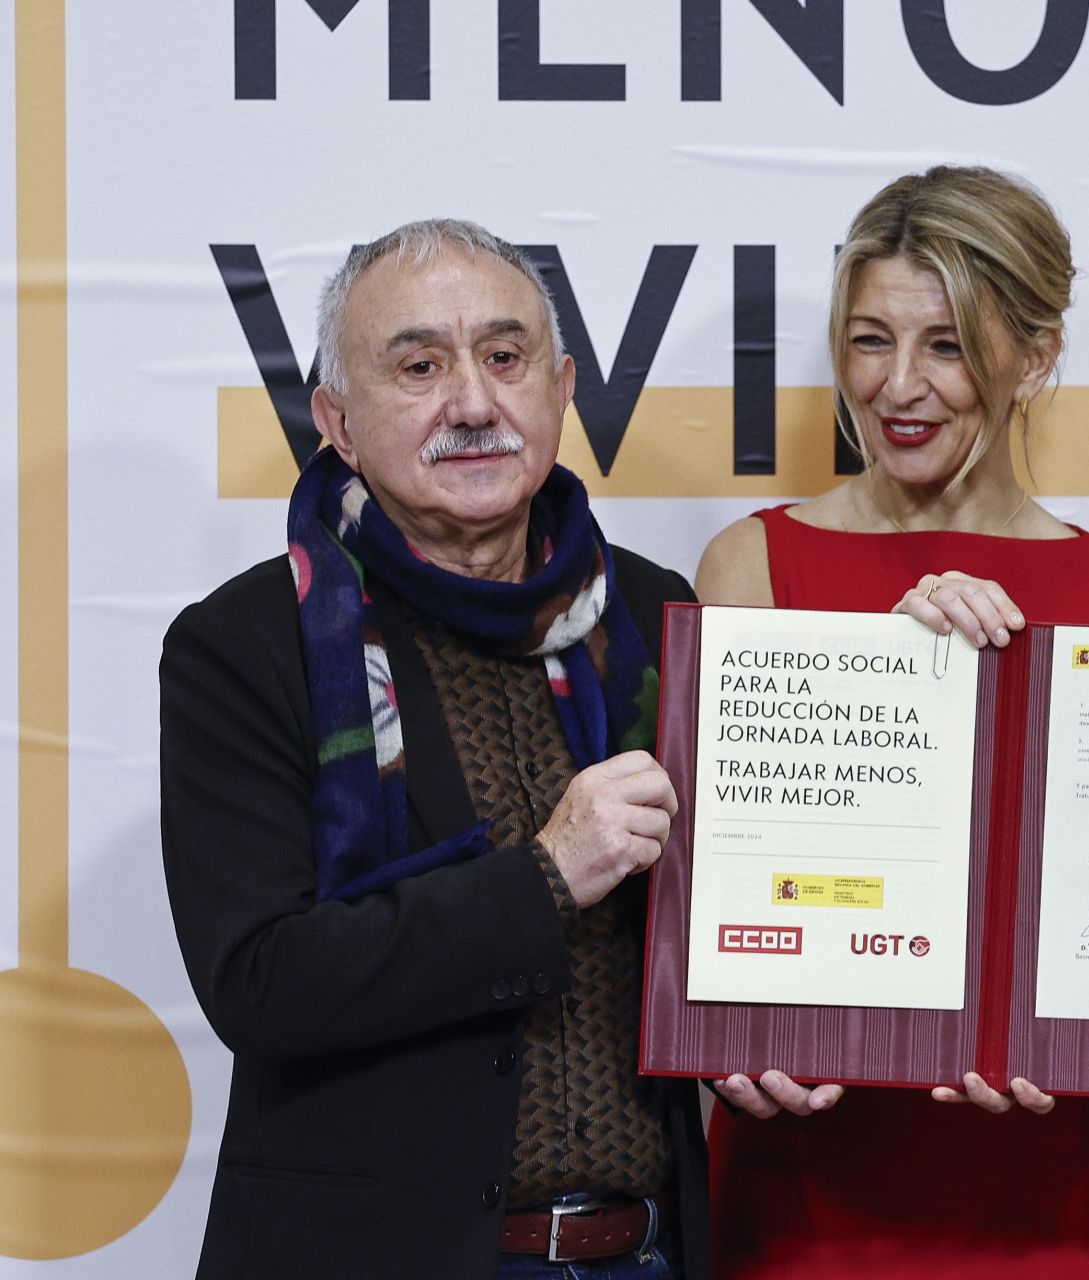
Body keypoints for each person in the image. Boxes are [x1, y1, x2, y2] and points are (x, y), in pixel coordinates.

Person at [160, 219, 710, 1280]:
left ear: (559, 389)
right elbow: (260, 980)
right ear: (339, 422)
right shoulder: (251, 644)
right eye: (419, 365)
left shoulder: (650, 611)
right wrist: (546, 877)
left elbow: (717, 916)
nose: (472, 401)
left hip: (648, 1249)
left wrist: (776, 1042)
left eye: (504, 358)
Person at [695, 165, 1089, 1279]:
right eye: (870, 339)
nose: (899, 386)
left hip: (1055, 1177)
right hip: (809, 1175)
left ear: (1038, 353)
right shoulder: (752, 567)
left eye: (949, 344)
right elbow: (720, 894)